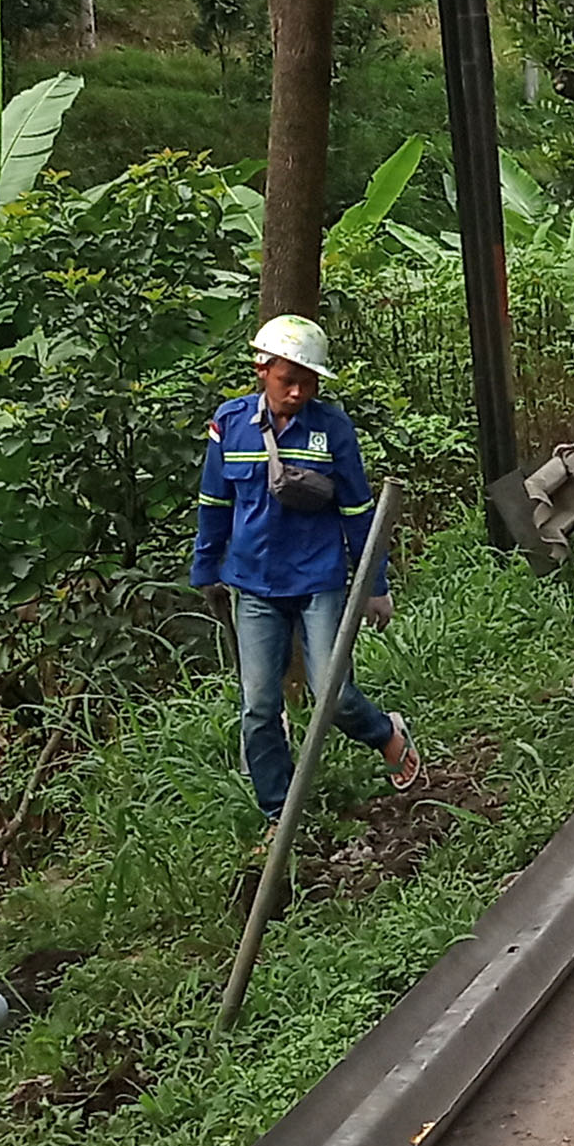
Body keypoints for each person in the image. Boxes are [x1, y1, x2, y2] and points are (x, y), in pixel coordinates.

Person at [191, 314, 417, 818]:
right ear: (261, 370)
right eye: (286, 379)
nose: (296, 392)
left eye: (307, 381)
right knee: (259, 706)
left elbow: (360, 511)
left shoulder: (332, 428)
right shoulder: (229, 425)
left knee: (330, 694)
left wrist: (374, 585)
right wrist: (206, 568)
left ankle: (386, 732)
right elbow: (214, 502)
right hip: (253, 583)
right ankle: (280, 813)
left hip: (319, 579)